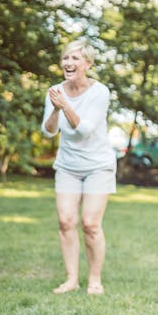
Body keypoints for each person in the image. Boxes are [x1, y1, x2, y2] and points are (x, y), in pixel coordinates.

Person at [41, 38, 116, 295]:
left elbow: (84, 130)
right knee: (65, 220)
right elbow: (48, 131)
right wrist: (54, 110)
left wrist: (65, 106)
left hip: (98, 165)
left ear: (88, 63)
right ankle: (71, 279)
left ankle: (95, 279)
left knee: (90, 223)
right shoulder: (54, 91)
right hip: (68, 165)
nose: (68, 63)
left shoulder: (100, 92)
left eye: (75, 58)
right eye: (65, 58)